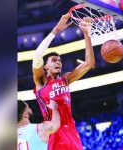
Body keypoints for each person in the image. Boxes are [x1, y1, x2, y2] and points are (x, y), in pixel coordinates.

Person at [32, 13, 95, 150]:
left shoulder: (65, 79)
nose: (58, 62)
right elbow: (37, 55)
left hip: (71, 131)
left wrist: (86, 34)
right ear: (45, 66)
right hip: (55, 131)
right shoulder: (41, 82)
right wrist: (56, 30)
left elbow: (89, 63)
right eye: (54, 60)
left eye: (59, 60)